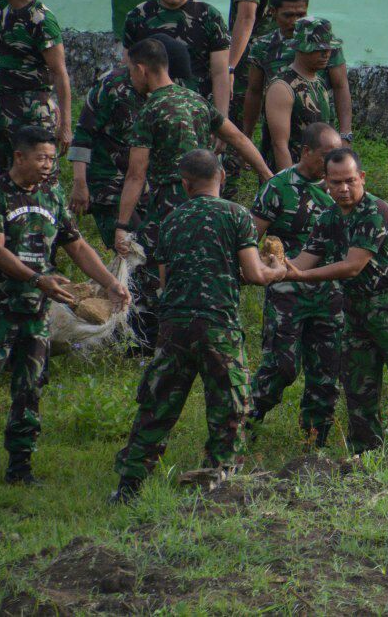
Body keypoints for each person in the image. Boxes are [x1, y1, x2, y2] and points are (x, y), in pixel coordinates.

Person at [111, 149, 285, 502]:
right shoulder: (237, 215)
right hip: (218, 323)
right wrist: (278, 269)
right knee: (229, 406)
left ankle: (128, 486)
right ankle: (220, 481)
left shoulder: (171, 220)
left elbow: (163, 281)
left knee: (157, 404)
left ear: (185, 184)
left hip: (173, 325)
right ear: (221, 177)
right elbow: (254, 274)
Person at [285, 148, 388, 452]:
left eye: (350, 180)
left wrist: (298, 276)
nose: (344, 188)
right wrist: (276, 268)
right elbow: (304, 260)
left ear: (362, 177)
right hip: (355, 309)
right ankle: (366, 454)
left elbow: (353, 265)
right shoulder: (327, 218)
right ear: (326, 182)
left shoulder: (376, 209)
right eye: (336, 182)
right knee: (358, 385)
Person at [115, 38, 272, 351]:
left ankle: (150, 342)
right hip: (210, 197)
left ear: (142, 70)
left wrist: (122, 224)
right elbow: (239, 138)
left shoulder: (150, 112)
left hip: (170, 203)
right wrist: (268, 176)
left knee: (153, 270)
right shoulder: (197, 101)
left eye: (131, 71)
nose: (131, 77)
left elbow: (136, 174)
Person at [0, 127, 128, 485]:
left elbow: (77, 245)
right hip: (2, 305)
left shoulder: (52, 195)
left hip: (35, 311)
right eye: (41, 157)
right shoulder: (0, 192)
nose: (47, 165)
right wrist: (37, 278)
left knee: (30, 386)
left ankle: (19, 469)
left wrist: (111, 282)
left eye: (52, 159)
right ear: (19, 156)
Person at [247, 122, 345, 447]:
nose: (332, 163)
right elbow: (249, 239)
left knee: (326, 371)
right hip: (287, 291)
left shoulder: (340, 186)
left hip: (329, 291)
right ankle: (242, 422)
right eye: (325, 156)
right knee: (281, 366)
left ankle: (314, 443)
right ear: (305, 152)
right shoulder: (279, 187)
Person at [224, 0, 300, 196]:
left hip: (251, 62)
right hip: (284, 58)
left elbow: (245, 19)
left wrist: (229, 67)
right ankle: (276, 195)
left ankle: (225, 195)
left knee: (234, 131)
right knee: (277, 132)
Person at [241, 0, 352, 148]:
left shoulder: (325, 44)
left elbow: (340, 86)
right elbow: (254, 91)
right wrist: (247, 136)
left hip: (320, 133)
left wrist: (345, 134)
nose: (294, 22)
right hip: (279, 132)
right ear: (273, 12)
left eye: (300, 14)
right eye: (288, 15)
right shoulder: (263, 46)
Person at [122, 0, 231, 113]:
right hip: (151, 114)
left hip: (196, 113)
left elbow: (220, 74)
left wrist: (221, 120)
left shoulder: (209, 16)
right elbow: (129, 69)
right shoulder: (138, 16)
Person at [0, 0, 71, 170]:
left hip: (31, 115)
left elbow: (59, 73)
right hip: (1, 111)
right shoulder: (1, 9)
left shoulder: (41, 20)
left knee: (37, 177)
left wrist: (65, 126)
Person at [68, 48, 144, 240]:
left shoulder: (164, 88)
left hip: (141, 185)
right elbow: (83, 133)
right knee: (130, 248)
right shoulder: (112, 85)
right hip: (108, 183)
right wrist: (80, 183)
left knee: (148, 252)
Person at [263, 17, 338, 169]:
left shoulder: (318, 82)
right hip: (291, 177)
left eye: (328, 49)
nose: (326, 54)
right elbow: (279, 145)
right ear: (300, 48)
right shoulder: (283, 87)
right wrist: (290, 186)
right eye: (318, 50)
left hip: (317, 175)